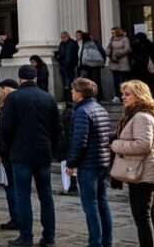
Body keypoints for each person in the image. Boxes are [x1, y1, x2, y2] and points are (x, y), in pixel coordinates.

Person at [0, 64, 61, 247]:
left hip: (20, 154)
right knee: (46, 195)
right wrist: (52, 148)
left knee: (23, 195)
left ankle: (26, 236)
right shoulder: (48, 97)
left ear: (20, 79)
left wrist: (9, 148)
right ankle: (49, 235)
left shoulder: (14, 98)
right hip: (43, 153)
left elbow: (6, 127)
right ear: (35, 78)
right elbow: (57, 128)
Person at [111, 79, 154, 247]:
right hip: (141, 170)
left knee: (142, 216)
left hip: (145, 171)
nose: (123, 97)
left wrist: (115, 144)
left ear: (139, 96)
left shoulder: (142, 117)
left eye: (128, 94)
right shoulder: (135, 114)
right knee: (150, 213)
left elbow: (143, 144)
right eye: (123, 94)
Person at [65, 78, 112, 247]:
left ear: (79, 93)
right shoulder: (100, 108)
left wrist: (71, 163)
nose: (71, 93)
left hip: (89, 164)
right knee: (102, 202)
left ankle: (95, 242)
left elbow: (79, 141)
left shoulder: (81, 112)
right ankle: (106, 241)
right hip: (102, 161)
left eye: (73, 90)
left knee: (90, 204)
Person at [0, 79, 20, 230]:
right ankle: (19, 216)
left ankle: (16, 218)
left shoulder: (6, 107)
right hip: (20, 150)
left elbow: (2, 133)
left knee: (10, 186)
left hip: (8, 152)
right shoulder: (22, 104)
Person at [131, 32, 154, 99]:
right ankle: (151, 93)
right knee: (150, 81)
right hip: (148, 67)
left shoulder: (136, 45)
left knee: (141, 82)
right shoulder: (149, 44)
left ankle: (142, 94)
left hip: (140, 67)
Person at [78, 31, 107, 98]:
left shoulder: (83, 44)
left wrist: (80, 65)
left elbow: (80, 55)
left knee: (87, 81)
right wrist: (103, 61)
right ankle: (98, 96)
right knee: (96, 81)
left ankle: (90, 95)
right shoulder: (95, 43)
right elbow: (102, 51)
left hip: (85, 66)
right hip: (96, 65)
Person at [107, 27, 132, 103]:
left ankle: (124, 95)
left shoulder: (125, 39)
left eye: (114, 32)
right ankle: (117, 96)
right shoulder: (112, 40)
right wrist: (108, 52)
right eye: (112, 33)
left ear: (118, 32)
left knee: (123, 81)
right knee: (115, 81)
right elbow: (109, 48)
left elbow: (127, 49)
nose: (112, 34)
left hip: (123, 62)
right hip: (114, 62)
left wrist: (117, 53)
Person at [56, 32, 79, 101]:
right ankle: (67, 97)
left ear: (68, 36)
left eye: (64, 37)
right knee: (65, 82)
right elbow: (60, 53)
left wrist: (74, 64)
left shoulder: (73, 43)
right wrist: (58, 57)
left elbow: (75, 55)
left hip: (70, 66)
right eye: (62, 37)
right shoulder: (61, 44)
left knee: (69, 82)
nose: (63, 39)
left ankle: (70, 97)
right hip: (63, 65)